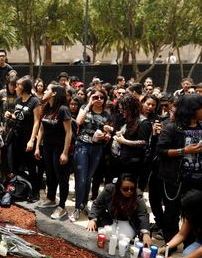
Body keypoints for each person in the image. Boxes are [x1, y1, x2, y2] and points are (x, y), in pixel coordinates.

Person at [156, 94, 202, 244]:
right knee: (172, 213)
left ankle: (191, 245)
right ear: (192, 109)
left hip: (198, 181)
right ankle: (170, 244)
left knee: (194, 214)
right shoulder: (172, 128)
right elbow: (161, 152)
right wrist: (184, 151)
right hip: (175, 180)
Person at [73, 88, 113, 221]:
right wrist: (89, 104)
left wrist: (106, 136)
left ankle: (83, 205)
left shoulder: (106, 115)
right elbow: (78, 121)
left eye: (102, 97)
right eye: (96, 97)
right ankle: (77, 207)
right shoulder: (85, 107)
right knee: (81, 178)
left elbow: (108, 134)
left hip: (97, 148)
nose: (99, 99)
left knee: (88, 178)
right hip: (82, 146)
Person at [35, 84, 72, 219]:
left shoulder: (63, 110)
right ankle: (51, 199)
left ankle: (62, 206)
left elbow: (69, 133)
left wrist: (65, 153)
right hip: (47, 147)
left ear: (54, 93)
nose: (44, 91)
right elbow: (41, 129)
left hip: (59, 148)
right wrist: (38, 146)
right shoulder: (46, 108)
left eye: (48, 90)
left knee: (61, 178)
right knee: (50, 174)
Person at [86, 174, 152, 246]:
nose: (129, 191)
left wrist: (145, 233)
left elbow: (142, 214)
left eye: (132, 189)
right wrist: (92, 219)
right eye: (125, 189)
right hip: (109, 218)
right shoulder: (109, 190)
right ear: (118, 187)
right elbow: (97, 204)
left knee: (122, 242)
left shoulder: (137, 195)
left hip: (128, 222)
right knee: (105, 236)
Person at [5, 76, 42, 202]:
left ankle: (35, 192)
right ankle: (17, 189)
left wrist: (32, 140)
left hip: (28, 138)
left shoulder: (35, 102)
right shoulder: (18, 100)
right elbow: (19, 117)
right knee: (15, 166)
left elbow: (37, 122)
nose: (15, 88)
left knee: (31, 167)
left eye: (18, 86)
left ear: (24, 87)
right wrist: (10, 115)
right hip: (16, 137)